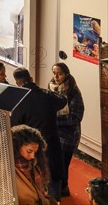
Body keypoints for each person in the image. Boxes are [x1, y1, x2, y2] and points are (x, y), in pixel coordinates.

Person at [12, 67, 67, 202]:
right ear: (31, 79)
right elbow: (63, 100)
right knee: (54, 175)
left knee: (36, 178)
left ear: (18, 83)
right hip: (52, 142)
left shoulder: (19, 101)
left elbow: (14, 126)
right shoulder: (47, 95)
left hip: (32, 146)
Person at [48, 62, 85, 197]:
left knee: (63, 163)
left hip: (68, 135)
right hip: (53, 132)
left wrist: (53, 119)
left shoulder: (73, 92)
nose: (56, 77)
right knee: (54, 162)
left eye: (60, 73)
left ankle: (61, 190)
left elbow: (76, 117)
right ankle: (61, 188)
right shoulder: (51, 87)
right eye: (54, 73)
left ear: (66, 74)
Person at [12, 124, 53, 205]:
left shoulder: (35, 163)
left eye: (35, 152)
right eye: (29, 151)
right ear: (17, 146)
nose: (33, 156)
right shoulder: (7, 167)